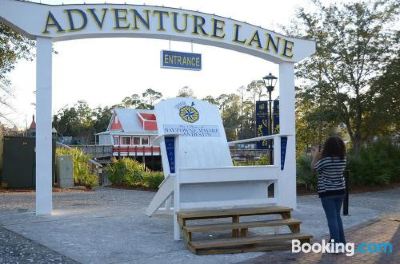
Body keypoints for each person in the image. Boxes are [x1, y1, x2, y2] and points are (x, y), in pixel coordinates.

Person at [311, 136, 347, 245]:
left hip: (327, 192)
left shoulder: (326, 161)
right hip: (340, 191)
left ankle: (335, 244)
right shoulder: (343, 159)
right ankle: (341, 242)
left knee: (332, 218)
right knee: (337, 216)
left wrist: (315, 156)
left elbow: (313, 168)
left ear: (328, 147)